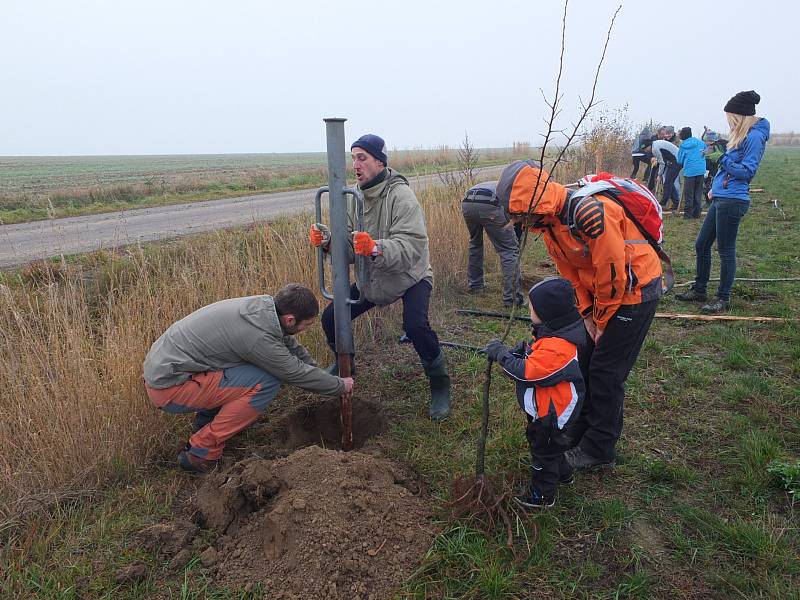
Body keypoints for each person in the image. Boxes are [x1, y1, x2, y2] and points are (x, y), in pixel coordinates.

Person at [495, 160, 662, 470]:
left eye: (520, 215)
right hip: (604, 296)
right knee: (584, 362)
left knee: (606, 373)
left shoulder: (588, 213)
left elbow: (612, 274)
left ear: (534, 204)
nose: (520, 223)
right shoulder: (549, 227)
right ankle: (580, 432)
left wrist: (600, 321)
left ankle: (599, 450)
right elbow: (571, 277)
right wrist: (586, 314)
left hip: (635, 292)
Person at [309, 134, 451, 420]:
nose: (355, 165)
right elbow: (348, 249)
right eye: (353, 159)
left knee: (415, 326)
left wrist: (376, 247)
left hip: (411, 275)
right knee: (331, 318)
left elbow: (412, 247)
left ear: (380, 161)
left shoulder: (401, 196)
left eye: (362, 158)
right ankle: (345, 363)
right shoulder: (352, 197)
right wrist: (329, 244)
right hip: (373, 279)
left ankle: (439, 383)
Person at [143, 284, 354, 473]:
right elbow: (294, 373)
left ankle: (206, 423)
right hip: (170, 387)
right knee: (266, 381)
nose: (305, 329)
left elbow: (288, 345)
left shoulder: (263, 309)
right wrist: (339, 386)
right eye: (305, 325)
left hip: (174, 370)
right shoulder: (257, 338)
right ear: (290, 319)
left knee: (249, 370)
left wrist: (317, 371)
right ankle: (201, 451)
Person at [485, 277, 586, 508]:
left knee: (543, 452)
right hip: (548, 408)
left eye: (533, 307)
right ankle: (564, 474)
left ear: (547, 313)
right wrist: (519, 351)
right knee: (554, 447)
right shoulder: (554, 333)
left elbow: (526, 372)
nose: (529, 310)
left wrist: (501, 354)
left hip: (552, 414)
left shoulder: (558, 347)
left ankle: (542, 495)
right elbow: (536, 357)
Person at [676, 91, 770, 313]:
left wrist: (721, 158)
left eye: (731, 118)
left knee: (726, 250)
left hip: (733, 200)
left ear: (740, 116)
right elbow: (729, 169)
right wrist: (715, 189)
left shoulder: (755, 137)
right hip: (722, 197)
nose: (729, 122)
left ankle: (723, 297)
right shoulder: (742, 134)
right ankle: (700, 290)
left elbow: (747, 172)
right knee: (701, 245)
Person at [461, 180, 524, 307]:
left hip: (467, 202)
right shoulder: (517, 191)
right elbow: (516, 218)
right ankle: (512, 299)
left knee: (475, 243)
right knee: (509, 250)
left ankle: (475, 285)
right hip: (490, 204)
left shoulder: (500, 183)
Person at [676, 127, 706, 219]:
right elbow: (705, 152)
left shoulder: (683, 145)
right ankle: (697, 213)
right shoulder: (701, 143)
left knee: (688, 193)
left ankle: (688, 214)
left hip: (690, 171)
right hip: (701, 170)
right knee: (698, 192)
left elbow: (680, 160)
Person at [647, 135, 681, 210]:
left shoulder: (654, 149)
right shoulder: (655, 144)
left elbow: (662, 163)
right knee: (669, 182)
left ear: (649, 146)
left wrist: (659, 175)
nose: (646, 151)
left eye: (646, 149)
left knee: (668, 183)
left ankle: (662, 204)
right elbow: (662, 160)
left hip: (677, 160)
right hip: (673, 160)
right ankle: (676, 203)